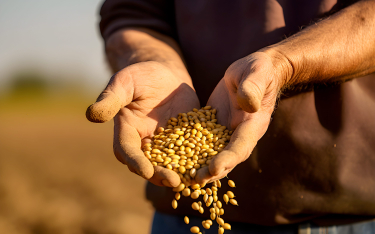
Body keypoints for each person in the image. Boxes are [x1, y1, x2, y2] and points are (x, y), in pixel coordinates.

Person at [86, 0, 375, 233]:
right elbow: (132, 13)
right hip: (184, 213)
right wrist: (152, 60)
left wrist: (284, 64)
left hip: (338, 214)